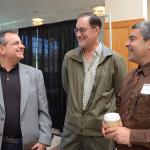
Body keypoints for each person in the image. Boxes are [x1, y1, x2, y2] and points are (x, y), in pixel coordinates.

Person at [61, 12, 127, 150]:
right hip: (72, 130)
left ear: (96, 30)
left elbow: (122, 96)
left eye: (82, 30)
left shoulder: (115, 59)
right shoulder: (69, 57)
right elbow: (68, 88)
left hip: (100, 132)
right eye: (76, 30)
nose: (78, 34)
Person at [0, 29, 52, 150]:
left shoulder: (35, 74)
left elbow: (43, 111)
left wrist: (44, 140)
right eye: (16, 43)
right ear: (2, 49)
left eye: (21, 43)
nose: (22, 46)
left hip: (28, 144)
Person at [102, 21, 150, 150]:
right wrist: (111, 123)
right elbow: (120, 106)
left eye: (132, 39)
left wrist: (132, 136)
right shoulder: (130, 76)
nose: (126, 43)